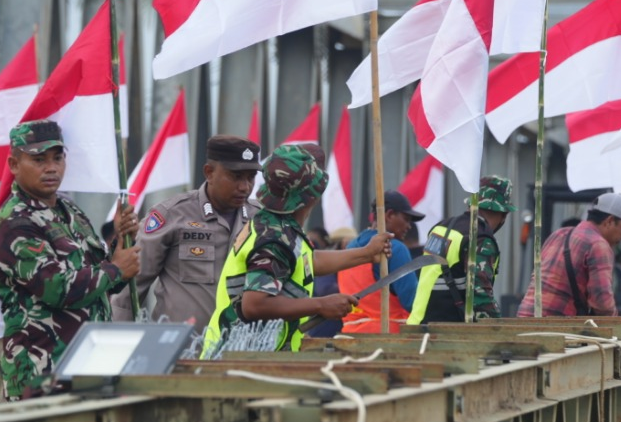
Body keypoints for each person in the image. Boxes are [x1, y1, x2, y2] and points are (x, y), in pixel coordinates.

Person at [0, 120, 141, 399]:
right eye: (38, 159)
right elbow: (58, 288)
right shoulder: (14, 222)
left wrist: (119, 240)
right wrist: (117, 269)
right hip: (40, 375)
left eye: (58, 158)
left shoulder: (68, 209)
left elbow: (98, 279)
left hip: (87, 367)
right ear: (13, 164)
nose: (51, 168)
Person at [204, 144, 391, 355]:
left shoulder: (277, 225)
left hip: (249, 353)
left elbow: (307, 261)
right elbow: (254, 305)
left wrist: (366, 253)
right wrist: (320, 305)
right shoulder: (273, 239)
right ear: (312, 198)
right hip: (237, 359)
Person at [111, 135, 264, 325]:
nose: (245, 187)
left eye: (251, 178)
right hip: (183, 348)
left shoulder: (262, 220)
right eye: (236, 176)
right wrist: (118, 338)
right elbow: (131, 287)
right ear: (209, 172)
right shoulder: (172, 215)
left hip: (241, 349)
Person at [408, 176, 515, 325]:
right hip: (445, 333)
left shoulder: (442, 227)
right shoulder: (479, 239)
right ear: (504, 214)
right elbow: (481, 297)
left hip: (418, 324)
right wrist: (500, 332)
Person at [516, 191, 621, 318]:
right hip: (553, 327)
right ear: (609, 221)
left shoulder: (558, 234)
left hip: (524, 319)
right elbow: (602, 302)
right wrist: (618, 326)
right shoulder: (598, 245)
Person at [338, 191, 427, 333]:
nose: (409, 226)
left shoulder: (350, 247)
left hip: (350, 335)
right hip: (387, 338)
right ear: (389, 215)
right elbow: (413, 302)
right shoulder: (394, 248)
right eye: (406, 219)